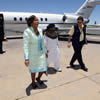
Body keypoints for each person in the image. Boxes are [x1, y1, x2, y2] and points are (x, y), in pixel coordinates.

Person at [23, 15, 48, 89]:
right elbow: (25, 45)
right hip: (33, 54)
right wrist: (26, 58)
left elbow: (42, 42)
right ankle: (33, 82)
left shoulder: (40, 30)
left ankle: (38, 78)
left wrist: (45, 51)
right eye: (36, 20)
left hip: (41, 53)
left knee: (43, 68)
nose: (38, 21)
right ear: (31, 22)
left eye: (38, 20)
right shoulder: (27, 31)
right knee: (33, 69)